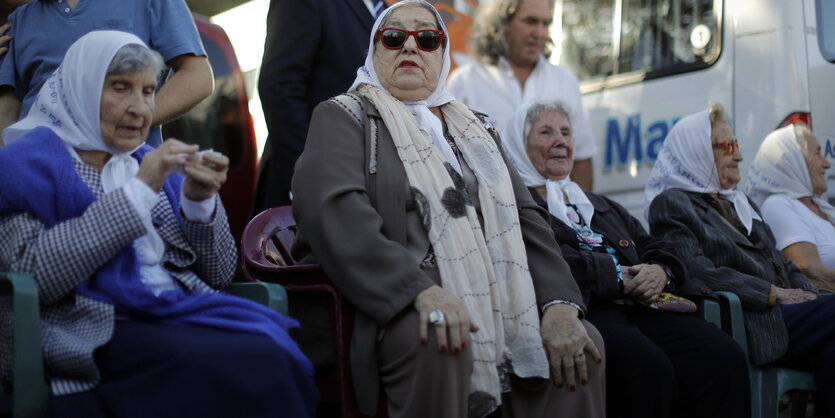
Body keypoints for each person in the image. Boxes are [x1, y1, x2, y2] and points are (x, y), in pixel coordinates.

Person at [291, 2, 605, 417]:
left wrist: (559, 303)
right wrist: (415, 291)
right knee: (442, 336)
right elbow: (336, 214)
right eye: (393, 37)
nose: (410, 47)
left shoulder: (477, 127)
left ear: (441, 54)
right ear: (374, 49)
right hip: (393, 302)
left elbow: (528, 218)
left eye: (426, 38)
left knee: (582, 341)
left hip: (499, 297)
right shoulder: (344, 117)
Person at [0, 31, 316, 417]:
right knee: (231, 360)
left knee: (274, 351)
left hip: (174, 312)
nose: (140, 108)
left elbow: (216, 274)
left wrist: (199, 203)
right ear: (80, 90)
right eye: (121, 88)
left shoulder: (152, 165)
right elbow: (36, 274)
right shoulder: (23, 167)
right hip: (95, 326)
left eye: (148, 91)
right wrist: (139, 190)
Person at [502, 100, 749, 418]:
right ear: (519, 146)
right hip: (589, 309)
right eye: (547, 132)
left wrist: (661, 271)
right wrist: (617, 275)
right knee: (647, 369)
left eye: (566, 132)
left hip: (644, 304)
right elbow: (542, 263)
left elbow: (654, 244)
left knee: (722, 356)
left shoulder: (597, 203)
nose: (561, 141)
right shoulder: (518, 207)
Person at [645, 102, 835, 417]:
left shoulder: (740, 203)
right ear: (699, 151)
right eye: (729, 146)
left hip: (790, 315)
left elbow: (784, 264)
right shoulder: (673, 203)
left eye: (738, 145)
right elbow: (697, 269)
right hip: (752, 321)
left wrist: (809, 295)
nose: (739, 156)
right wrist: (775, 293)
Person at [0, 0, 213, 147]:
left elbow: (197, 77)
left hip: (127, 177)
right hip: (41, 178)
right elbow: (7, 111)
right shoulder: (19, 20)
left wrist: (126, 122)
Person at [447, 0, 597, 191]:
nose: (540, 33)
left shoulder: (564, 80)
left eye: (545, 24)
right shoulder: (466, 81)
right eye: (530, 21)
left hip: (556, 217)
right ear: (501, 24)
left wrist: (575, 215)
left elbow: (582, 158)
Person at [251, 0, 385, 212]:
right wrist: (311, 178)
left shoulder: (384, 8)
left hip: (367, 187)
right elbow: (279, 87)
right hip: (316, 192)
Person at [746, 123, 835, 292]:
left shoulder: (821, 208)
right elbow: (809, 271)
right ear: (793, 161)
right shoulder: (779, 205)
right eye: (817, 153)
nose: (827, 164)